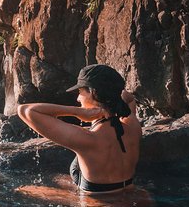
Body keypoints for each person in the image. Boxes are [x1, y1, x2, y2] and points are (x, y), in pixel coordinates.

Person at [17, 64, 141, 194]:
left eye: (80, 92)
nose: (77, 98)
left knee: (24, 189)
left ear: (93, 92)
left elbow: (25, 110)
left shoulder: (87, 139)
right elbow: (129, 98)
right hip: (132, 196)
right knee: (57, 178)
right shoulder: (132, 125)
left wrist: (78, 112)